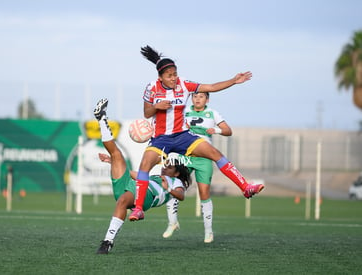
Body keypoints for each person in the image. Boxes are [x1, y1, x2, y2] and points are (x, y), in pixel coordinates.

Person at [128, 45, 264, 222]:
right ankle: (138, 209)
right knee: (144, 165)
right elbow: (147, 113)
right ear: (160, 77)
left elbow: (211, 87)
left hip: (183, 135)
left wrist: (233, 80)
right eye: (169, 76)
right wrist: (156, 107)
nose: (174, 78)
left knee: (215, 154)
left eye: (175, 74)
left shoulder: (184, 84)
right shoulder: (152, 88)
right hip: (161, 139)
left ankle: (245, 187)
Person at [93, 98, 192, 254]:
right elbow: (135, 174)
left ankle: (107, 242)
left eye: (170, 166)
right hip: (130, 186)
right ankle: (102, 119)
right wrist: (112, 162)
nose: (165, 168)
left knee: (122, 201)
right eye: (165, 165)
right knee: (116, 154)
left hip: (146, 195)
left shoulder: (174, 182)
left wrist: (169, 189)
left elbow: (181, 196)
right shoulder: (154, 176)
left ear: (177, 173)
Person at [163, 92, 232, 243]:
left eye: (201, 97)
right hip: (186, 155)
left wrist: (217, 130)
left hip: (204, 158)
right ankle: (172, 222)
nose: (197, 99)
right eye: (195, 96)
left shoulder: (212, 113)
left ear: (207, 99)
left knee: (204, 192)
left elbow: (228, 131)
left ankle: (208, 231)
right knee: (174, 185)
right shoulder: (185, 110)